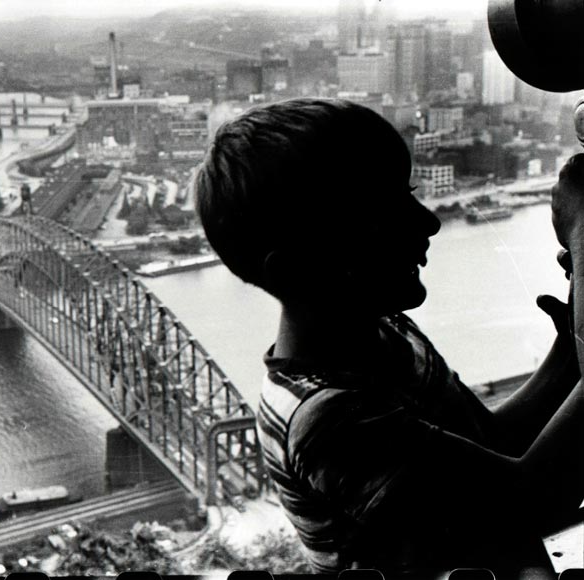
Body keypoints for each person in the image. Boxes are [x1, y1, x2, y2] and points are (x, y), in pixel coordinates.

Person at [194, 98, 584, 577]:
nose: (430, 221)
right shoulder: (328, 420)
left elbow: (492, 441)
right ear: (302, 268)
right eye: (387, 212)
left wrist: (570, 348)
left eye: (412, 192)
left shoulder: (381, 329)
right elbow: (529, 500)